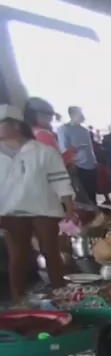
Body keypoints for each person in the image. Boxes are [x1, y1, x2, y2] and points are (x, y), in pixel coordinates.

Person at [1, 105, 74, 299]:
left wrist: (69, 207)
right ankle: (19, 298)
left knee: (51, 252)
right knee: (18, 255)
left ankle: (61, 293)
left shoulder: (44, 152)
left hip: (44, 208)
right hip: (10, 212)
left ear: (15, 125)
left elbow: (59, 179)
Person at [57, 105, 101, 208]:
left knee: (92, 195)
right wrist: (71, 165)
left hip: (91, 166)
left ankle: (96, 218)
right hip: (77, 167)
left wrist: (94, 162)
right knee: (81, 197)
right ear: (72, 114)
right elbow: (64, 149)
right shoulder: (64, 129)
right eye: (80, 113)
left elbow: (90, 149)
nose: (82, 116)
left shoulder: (84, 130)